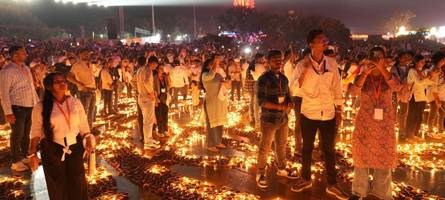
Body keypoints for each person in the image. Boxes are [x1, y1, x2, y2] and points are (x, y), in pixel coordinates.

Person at [290, 30, 348, 199]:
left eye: (325, 39)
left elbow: (337, 87)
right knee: (307, 148)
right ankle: (305, 178)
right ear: (311, 44)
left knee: (329, 149)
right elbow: (294, 88)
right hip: (309, 112)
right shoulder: (302, 64)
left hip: (328, 112)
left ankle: (332, 184)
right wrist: (305, 71)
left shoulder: (331, 63)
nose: (324, 41)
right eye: (320, 39)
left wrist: (339, 109)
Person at [28, 72, 95, 200]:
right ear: (48, 87)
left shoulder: (75, 102)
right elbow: (35, 131)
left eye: (64, 81)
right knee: (57, 184)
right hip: (52, 149)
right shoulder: (40, 107)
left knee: (78, 181)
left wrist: (88, 141)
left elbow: (83, 125)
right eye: (57, 82)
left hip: (74, 148)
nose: (62, 83)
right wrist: (32, 154)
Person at [350, 47, 404, 200]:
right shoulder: (363, 75)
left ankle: (382, 192)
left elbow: (397, 87)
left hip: (384, 125)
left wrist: (382, 68)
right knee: (361, 157)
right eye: (373, 56)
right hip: (365, 123)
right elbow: (353, 91)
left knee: (384, 158)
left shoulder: (389, 76)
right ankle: (358, 192)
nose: (376, 59)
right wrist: (365, 72)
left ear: (385, 59)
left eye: (379, 57)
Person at [255, 50, 297, 189]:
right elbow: (261, 101)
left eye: (280, 60)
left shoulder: (283, 78)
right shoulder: (263, 79)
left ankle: (282, 168)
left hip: (283, 118)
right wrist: (278, 107)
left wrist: (290, 103)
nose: (278, 62)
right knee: (265, 147)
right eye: (274, 60)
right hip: (269, 119)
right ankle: (260, 173)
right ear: (268, 62)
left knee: (281, 144)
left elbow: (288, 94)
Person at [0, 46, 40, 172]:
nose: (26, 54)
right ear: (15, 56)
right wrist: (8, 112)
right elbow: (4, 92)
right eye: (23, 53)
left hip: (30, 105)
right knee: (17, 134)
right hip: (17, 107)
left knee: (26, 133)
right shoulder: (7, 71)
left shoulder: (26, 68)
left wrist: (37, 104)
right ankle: (15, 161)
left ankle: (23, 156)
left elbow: (31, 88)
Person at [405, 55, 439, 140]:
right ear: (417, 62)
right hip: (414, 97)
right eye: (422, 61)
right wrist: (429, 77)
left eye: (424, 62)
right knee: (412, 116)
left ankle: (416, 134)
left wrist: (432, 78)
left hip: (422, 97)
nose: (423, 63)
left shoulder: (421, 71)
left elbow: (426, 83)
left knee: (419, 117)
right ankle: (409, 135)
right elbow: (419, 82)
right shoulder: (412, 71)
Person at [201, 57, 228, 153]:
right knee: (211, 124)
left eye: (214, 64)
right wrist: (216, 63)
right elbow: (210, 75)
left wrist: (227, 83)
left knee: (219, 122)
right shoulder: (205, 75)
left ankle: (217, 141)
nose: (214, 66)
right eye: (211, 64)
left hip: (220, 101)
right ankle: (210, 144)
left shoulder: (217, 74)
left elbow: (224, 82)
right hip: (211, 102)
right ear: (207, 66)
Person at [67, 49, 96, 129]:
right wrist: (79, 84)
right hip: (84, 91)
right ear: (80, 55)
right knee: (83, 112)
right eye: (84, 54)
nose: (86, 55)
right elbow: (69, 77)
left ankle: (89, 129)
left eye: (87, 54)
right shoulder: (77, 65)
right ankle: (81, 131)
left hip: (93, 90)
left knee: (91, 111)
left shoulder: (90, 64)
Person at [136, 56, 161, 149]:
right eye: (156, 65)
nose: (156, 67)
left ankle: (148, 139)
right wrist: (151, 93)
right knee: (148, 121)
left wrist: (140, 90)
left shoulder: (140, 70)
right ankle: (148, 143)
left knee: (146, 121)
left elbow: (133, 81)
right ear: (153, 63)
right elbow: (146, 82)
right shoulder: (148, 69)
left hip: (141, 97)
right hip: (147, 98)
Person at [390, 51, 413, 138]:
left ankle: (402, 132)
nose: (406, 59)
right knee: (393, 112)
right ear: (399, 58)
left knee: (403, 113)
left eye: (407, 57)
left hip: (405, 93)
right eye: (404, 57)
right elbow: (394, 80)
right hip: (395, 93)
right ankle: (391, 131)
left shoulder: (409, 68)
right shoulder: (394, 68)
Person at [426, 52, 445, 134]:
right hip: (434, 95)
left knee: (442, 114)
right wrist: (436, 98)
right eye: (443, 59)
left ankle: (440, 129)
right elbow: (433, 85)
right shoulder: (434, 69)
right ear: (439, 60)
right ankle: (430, 131)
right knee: (433, 113)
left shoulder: (441, 69)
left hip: (442, 94)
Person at [154, 66, 170, 136]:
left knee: (165, 114)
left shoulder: (165, 77)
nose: (162, 70)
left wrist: (168, 77)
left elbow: (169, 86)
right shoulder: (154, 78)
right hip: (158, 97)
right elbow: (153, 88)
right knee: (159, 115)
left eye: (163, 69)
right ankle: (160, 131)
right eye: (161, 69)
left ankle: (165, 130)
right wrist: (155, 98)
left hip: (165, 97)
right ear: (157, 70)